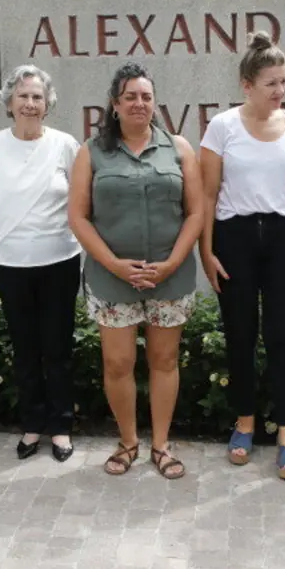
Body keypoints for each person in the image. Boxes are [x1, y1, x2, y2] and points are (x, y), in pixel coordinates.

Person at [67, 62, 203, 480]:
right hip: (112, 279)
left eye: (146, 96)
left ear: (154, 102)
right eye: (130, 97)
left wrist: (172, 263)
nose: (139, 103)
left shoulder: (178, 148)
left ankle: (160, 445)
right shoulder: (91, 152)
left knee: (164, 359)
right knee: (118, 363)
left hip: (170, 276)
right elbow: (78, 216)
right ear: (114, 104)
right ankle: (127, 443)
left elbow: (196, 212)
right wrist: (113, 265)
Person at [199, 32, 285, 480]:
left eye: (284, 82)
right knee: (241, 335)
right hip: (235, 238)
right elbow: (208, 195)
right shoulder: (222, 127)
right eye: (271, 83)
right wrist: (205, 251)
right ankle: (245, 423)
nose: (280, 91)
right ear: (246, 84)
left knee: (283, 336)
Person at [0, 65, 81, 463]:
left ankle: (62, 426)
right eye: (22, 96)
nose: (30, 103)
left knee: (58, 347)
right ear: (9, 103)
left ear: (47, 103)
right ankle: (33, 424)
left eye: (37, 97)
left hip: (60, 259)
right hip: (10, 262)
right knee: (26, 347)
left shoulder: (66, 144)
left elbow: (82, 201)